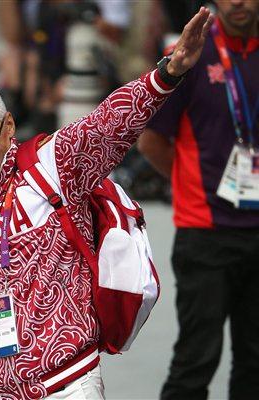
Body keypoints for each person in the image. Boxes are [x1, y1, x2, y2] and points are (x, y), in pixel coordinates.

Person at [0, 7, 213, 400]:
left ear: (9, 126)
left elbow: (108, 123)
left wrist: (167, 74)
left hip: (66, 385)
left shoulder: (54, 165)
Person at [138, 1, 259, 398]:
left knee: (255, 363)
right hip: (205, 233)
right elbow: (150, 139)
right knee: (196, 359)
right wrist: (188, 182)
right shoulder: (190, 53)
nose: (238, 2)